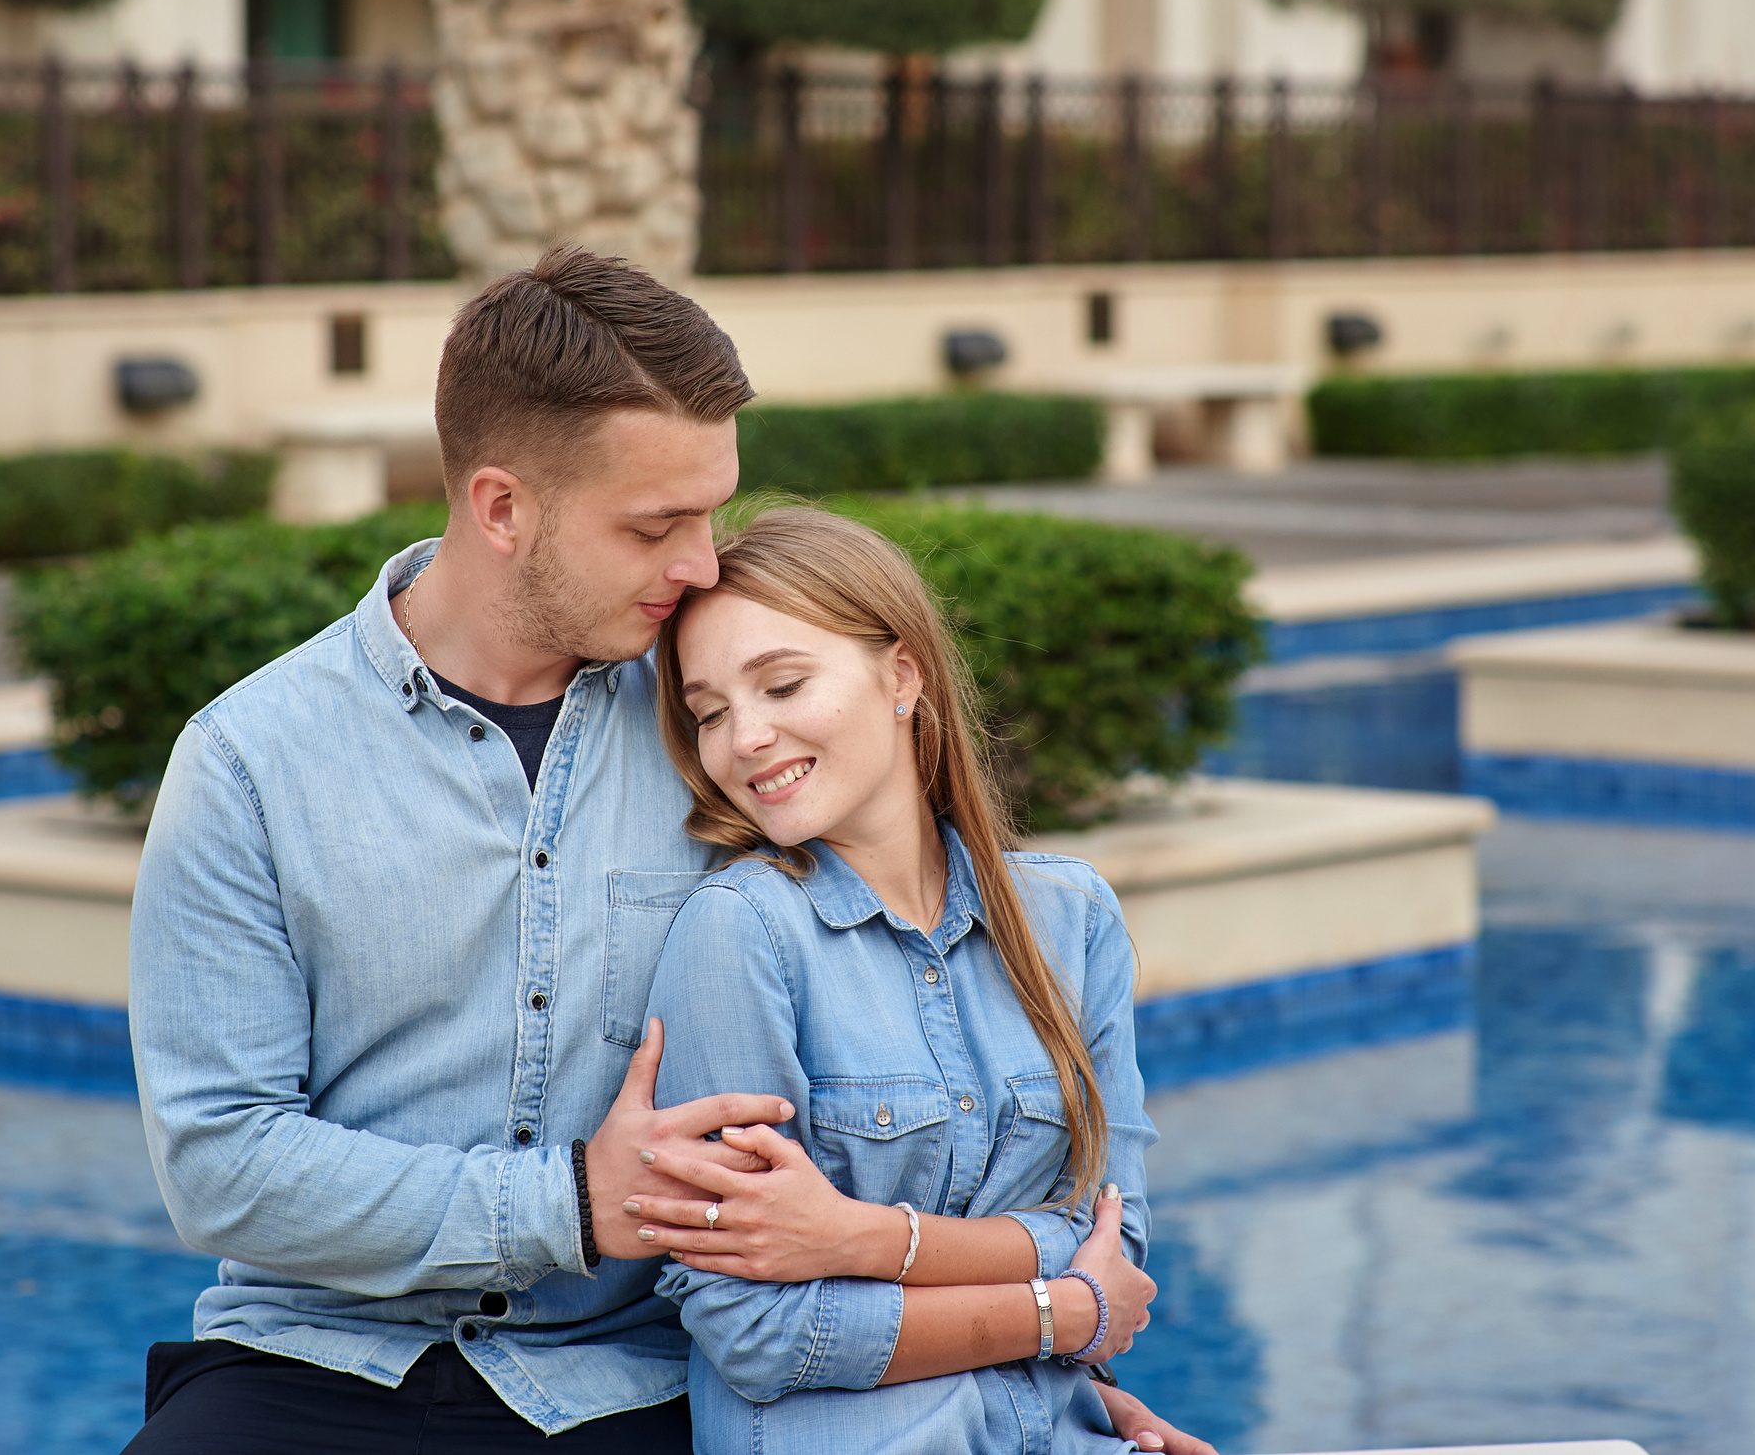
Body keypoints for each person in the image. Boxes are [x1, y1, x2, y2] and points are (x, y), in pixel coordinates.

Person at [125, 247, 1207, 1453]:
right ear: (501, 507)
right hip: (318, 1359)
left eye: (709, 510)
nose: (699, 562)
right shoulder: (247, 763)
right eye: (655, 524)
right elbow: (222, 1161)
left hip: (631, 1379)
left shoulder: (720, 725)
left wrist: (1039, 1369)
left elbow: (925, 1019)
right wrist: (578, 1200)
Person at [631, 506, 1186, 1453]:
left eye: (783, 683)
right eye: (710, 712)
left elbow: (1117, 1240)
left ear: (902, 672)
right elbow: (756, 1330)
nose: (747, 737)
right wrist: (1060, 1309)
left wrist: (859, 1241)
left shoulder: (1071, 918)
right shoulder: (741, 934)